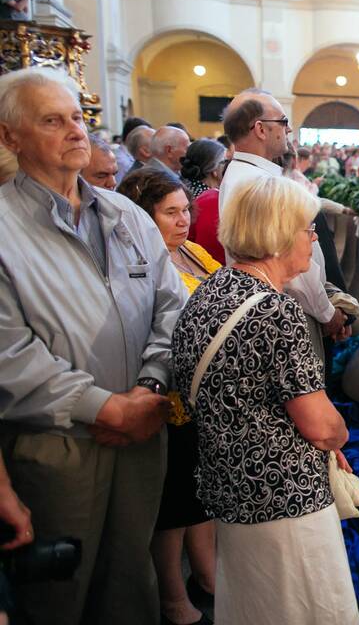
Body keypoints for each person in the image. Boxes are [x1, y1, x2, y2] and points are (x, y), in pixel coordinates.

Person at [0, 67, 184, 624]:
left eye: (77, 117)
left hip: (143, 430)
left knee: (132, 580)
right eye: (52, 121)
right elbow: (10, 353)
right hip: (60, 445)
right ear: (11, 138)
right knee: (62, 592)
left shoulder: (126, 214)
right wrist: (105, 407)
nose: (76, 131)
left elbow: (170, 307)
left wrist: (150, 388)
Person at [172, 176, 359, 625]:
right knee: (303, 606)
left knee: (252, 603)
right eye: (307, 228)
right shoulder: (277, 310)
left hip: (230, 491)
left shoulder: (210, 293)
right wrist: (340, 434)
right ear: (278, 236)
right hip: (285, 498)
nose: (315, 238)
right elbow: (319, 425)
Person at [117, 169, 218, 625]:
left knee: (200, 492)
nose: (183, 220)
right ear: (144, 217)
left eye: (186, 210)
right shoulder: (138, 262)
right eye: (170, 212)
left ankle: (207, 573)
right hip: (170, 395)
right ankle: (173, 596)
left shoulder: (192, 251)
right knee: (173, 501)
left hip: (204, 394)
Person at [219, 89, 350, 363]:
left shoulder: (247, 173)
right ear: (260, 129)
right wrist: (327, 313)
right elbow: (291, 268)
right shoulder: (258, 183)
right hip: (291, 312)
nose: (288, 129)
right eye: (283, 121)